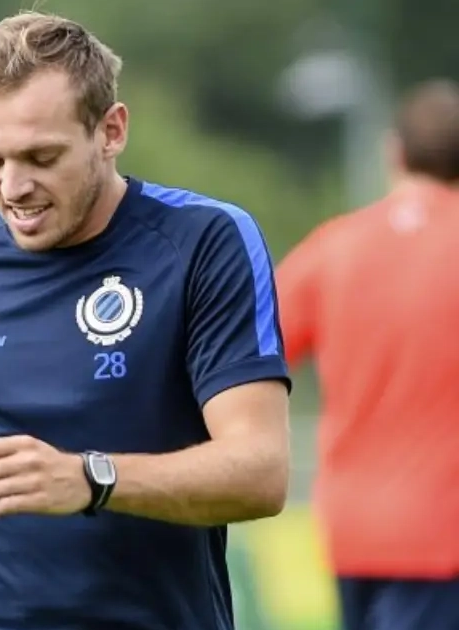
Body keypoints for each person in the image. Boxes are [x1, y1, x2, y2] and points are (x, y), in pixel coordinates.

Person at [0, 11, 291, 630]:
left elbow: (261, 473)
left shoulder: (203, 242)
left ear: (111, 130)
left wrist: (91, 478)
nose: (13, 187)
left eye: (41, 156)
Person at [274, 78, 459, 630]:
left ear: (393, 152)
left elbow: (246, 352)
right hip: (445, 534)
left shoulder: (333, 246)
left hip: (353, 530)